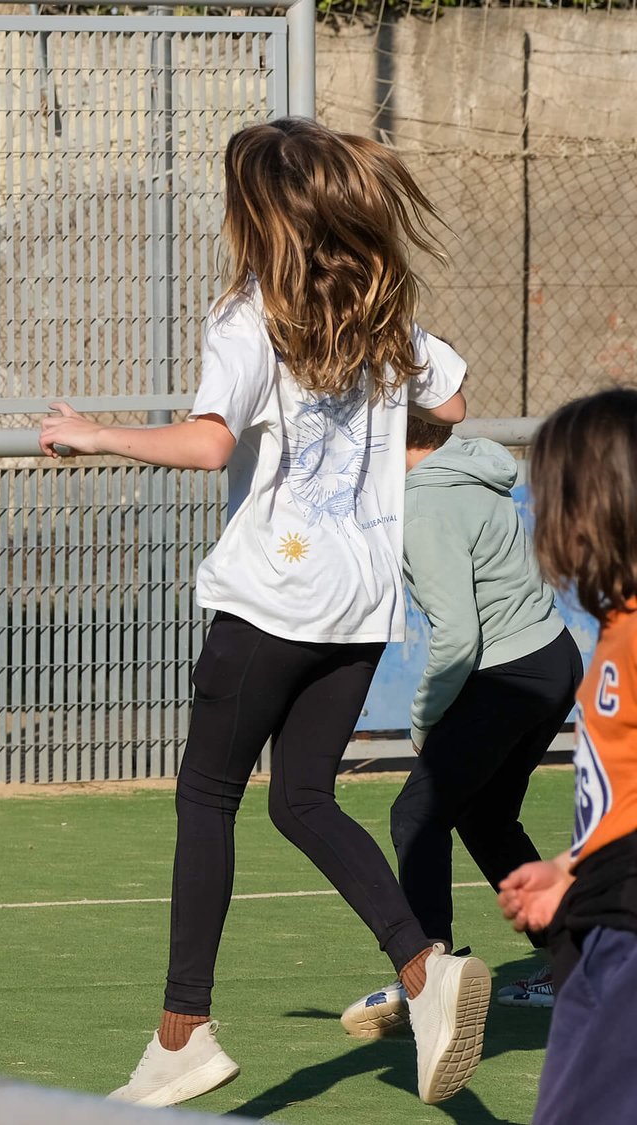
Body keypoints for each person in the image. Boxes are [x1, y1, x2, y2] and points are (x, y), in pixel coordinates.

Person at [40, 118, 485, 1107]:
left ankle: (182, 1033)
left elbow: (208, 444)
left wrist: (94, 433)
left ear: (258, 214)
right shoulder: (378, 312)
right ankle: (424, 973)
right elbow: (451, 405)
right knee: (301, 799)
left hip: (270, 599)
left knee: (206, 796)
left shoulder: (248, 316)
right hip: (358, 604)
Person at [339, 417, 581, 1036]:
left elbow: (456, 636)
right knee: (485, 818)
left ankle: (429, 977)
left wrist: (425, 718)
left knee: (415, 815)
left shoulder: (425, 506)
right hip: (551, 659)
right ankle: (577, 962)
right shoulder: (472, 465)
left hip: (509, 676)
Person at [499, 388, 637, 1125]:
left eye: (554, 494)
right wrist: (570, 867)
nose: (542, 515)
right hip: (603, 919)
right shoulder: (618, 625)